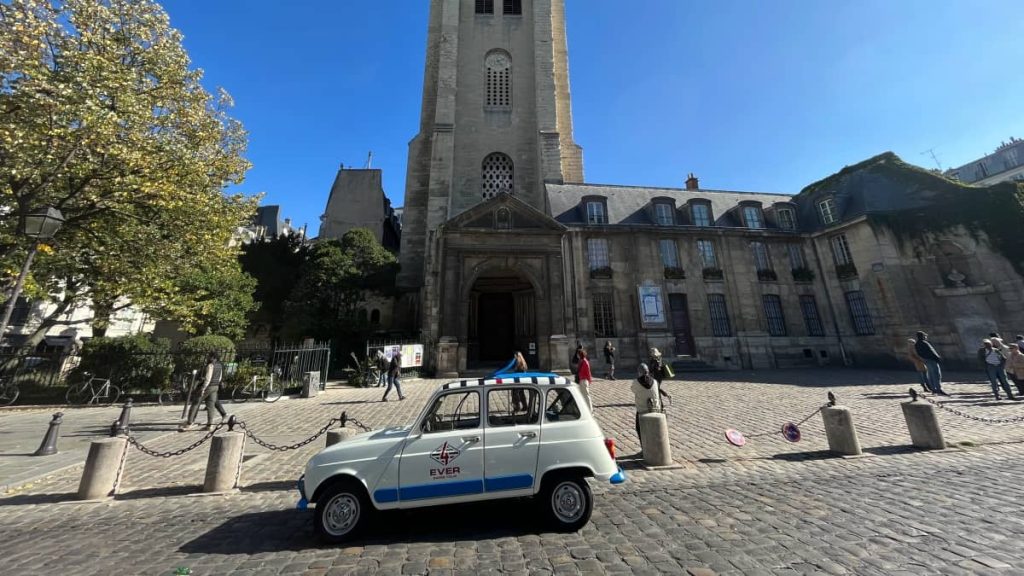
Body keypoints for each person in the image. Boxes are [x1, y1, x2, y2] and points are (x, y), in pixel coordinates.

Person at [181, 352, 229, 431]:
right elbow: (220, 377)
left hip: (208, 386)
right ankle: (209, 425)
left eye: (209, 356)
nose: (208, 358)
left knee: (196, 403)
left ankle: (190, 422)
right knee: (211, 405)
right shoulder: (220, 365)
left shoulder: (210, 365)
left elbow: (208, 378)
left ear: (213, 357)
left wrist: (203, 388)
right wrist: (216, 383)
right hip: (215, 386)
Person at [633, 363, 671, 449]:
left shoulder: (636, 382)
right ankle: (659, 447)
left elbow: (633, 390)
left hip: (642, 410)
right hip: (656, 409)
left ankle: (645, 448)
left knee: (639, 429)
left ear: (639, 372)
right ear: (648, 372)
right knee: (656, 430)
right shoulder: (655, 381)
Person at [914, 332, 947, 396]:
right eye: (925, 336)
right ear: (922, 336)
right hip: (932, 360)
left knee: (930, 374)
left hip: (926, 360)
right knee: (936, 374)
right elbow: (932, 351)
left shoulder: (916, 344)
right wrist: (937, 358)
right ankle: (938, 389)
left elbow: (919, 353)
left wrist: (923, 359)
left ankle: (933, 389)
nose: (926, 337)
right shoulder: (925, 343)